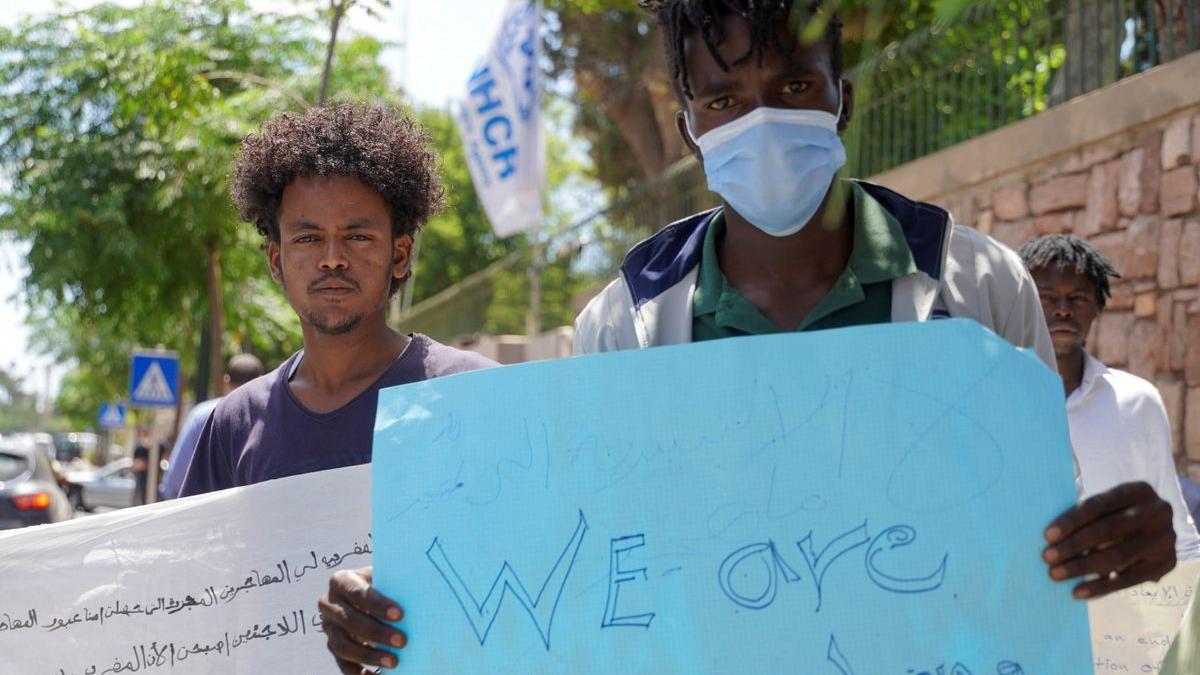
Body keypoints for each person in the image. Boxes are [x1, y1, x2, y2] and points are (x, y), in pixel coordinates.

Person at [318, 2, 1176, 670]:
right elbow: (574, 562)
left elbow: (1040, 533)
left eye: (795, 87)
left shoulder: (978, 285)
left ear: (845, 96)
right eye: (724, 100)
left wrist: (1128, 548)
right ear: (690, 125)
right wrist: (402, 609)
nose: (760, 122)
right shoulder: (625, 324)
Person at [178, 103, 495, 500]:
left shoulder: (475, 394)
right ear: (277, 262)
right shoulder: (235, 424)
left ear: (399, 255)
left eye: (358, 236)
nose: (332, 257)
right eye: (308, 238)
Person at [1020, 234, 1200, 559]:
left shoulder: (1136, 400)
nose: (1062, 310)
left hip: (1118, 600)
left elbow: (1174, 525)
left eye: (1077, 299)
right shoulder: (991, 400)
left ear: (1097, 307)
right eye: (1047, 298)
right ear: (1023, 304)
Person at [159, 354, 265, 500]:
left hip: (207, 515)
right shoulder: (271, 417)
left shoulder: (203, 415)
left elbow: (175, 481)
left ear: (226, 380)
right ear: (262, 380)